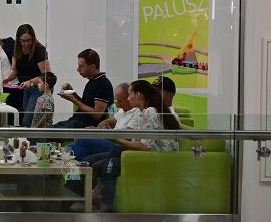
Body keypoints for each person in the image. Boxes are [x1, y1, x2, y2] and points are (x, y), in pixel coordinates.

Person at [94, 80, 179, 212]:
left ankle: (102, 197)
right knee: (112, 158)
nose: (128, 99)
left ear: (138, 95)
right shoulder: (144, 111)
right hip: (151, 156)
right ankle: (104, 200)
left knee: (115, 154)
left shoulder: (149, 112)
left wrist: (117, 140)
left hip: (160, 160)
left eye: (129, 94)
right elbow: (140, 142)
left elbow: (146, 147)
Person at [70, 83, 138, 159]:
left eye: (120, 101)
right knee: (69, 147)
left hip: (118, 144)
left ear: (128, 99)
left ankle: (82, 165)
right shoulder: (122, 111)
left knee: (82, 139)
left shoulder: (136, 112)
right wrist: (97, 130)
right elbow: (107, 122)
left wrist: (108, 133)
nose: (117, 105)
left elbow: (127, 137)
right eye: (117, 100)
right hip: (111, 138)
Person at [2, 24, 52, 127]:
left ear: (33, 38)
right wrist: (6, 79)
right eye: (23, 41)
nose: (26, 43)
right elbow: (14, 70)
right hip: (26, 87)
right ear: (18, 40)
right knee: (26, 119)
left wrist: (30, 82)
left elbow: (47, 75)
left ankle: (33, 137)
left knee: (28, 120)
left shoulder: (39, 50)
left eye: (29, 40)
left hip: (39, 87)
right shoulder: (16, 49)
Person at [51, 49, 114, 128]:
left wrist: (73, 100)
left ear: (92, 67)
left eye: (81, 66)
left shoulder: (103, 84)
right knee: (47, 129)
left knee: (48, 131)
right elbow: (87, 105)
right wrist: (73, 93)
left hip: (85, 125)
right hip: (76, 120)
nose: (78, 69)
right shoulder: (92, 81)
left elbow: (97, 115)